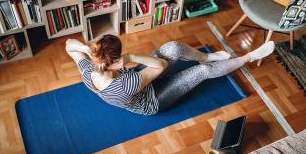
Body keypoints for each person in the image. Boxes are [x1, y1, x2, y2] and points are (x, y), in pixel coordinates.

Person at [66, 35, 274, 115]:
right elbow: (161, 65)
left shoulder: (89, 70)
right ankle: (249, 56)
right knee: (200, 72)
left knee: (173, 47)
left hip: (138, 84)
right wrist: (130, 56)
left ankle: (206, 57)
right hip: (151, 101)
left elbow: (68, 46)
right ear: (116, 59)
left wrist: (86, 49)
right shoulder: (126, 83)